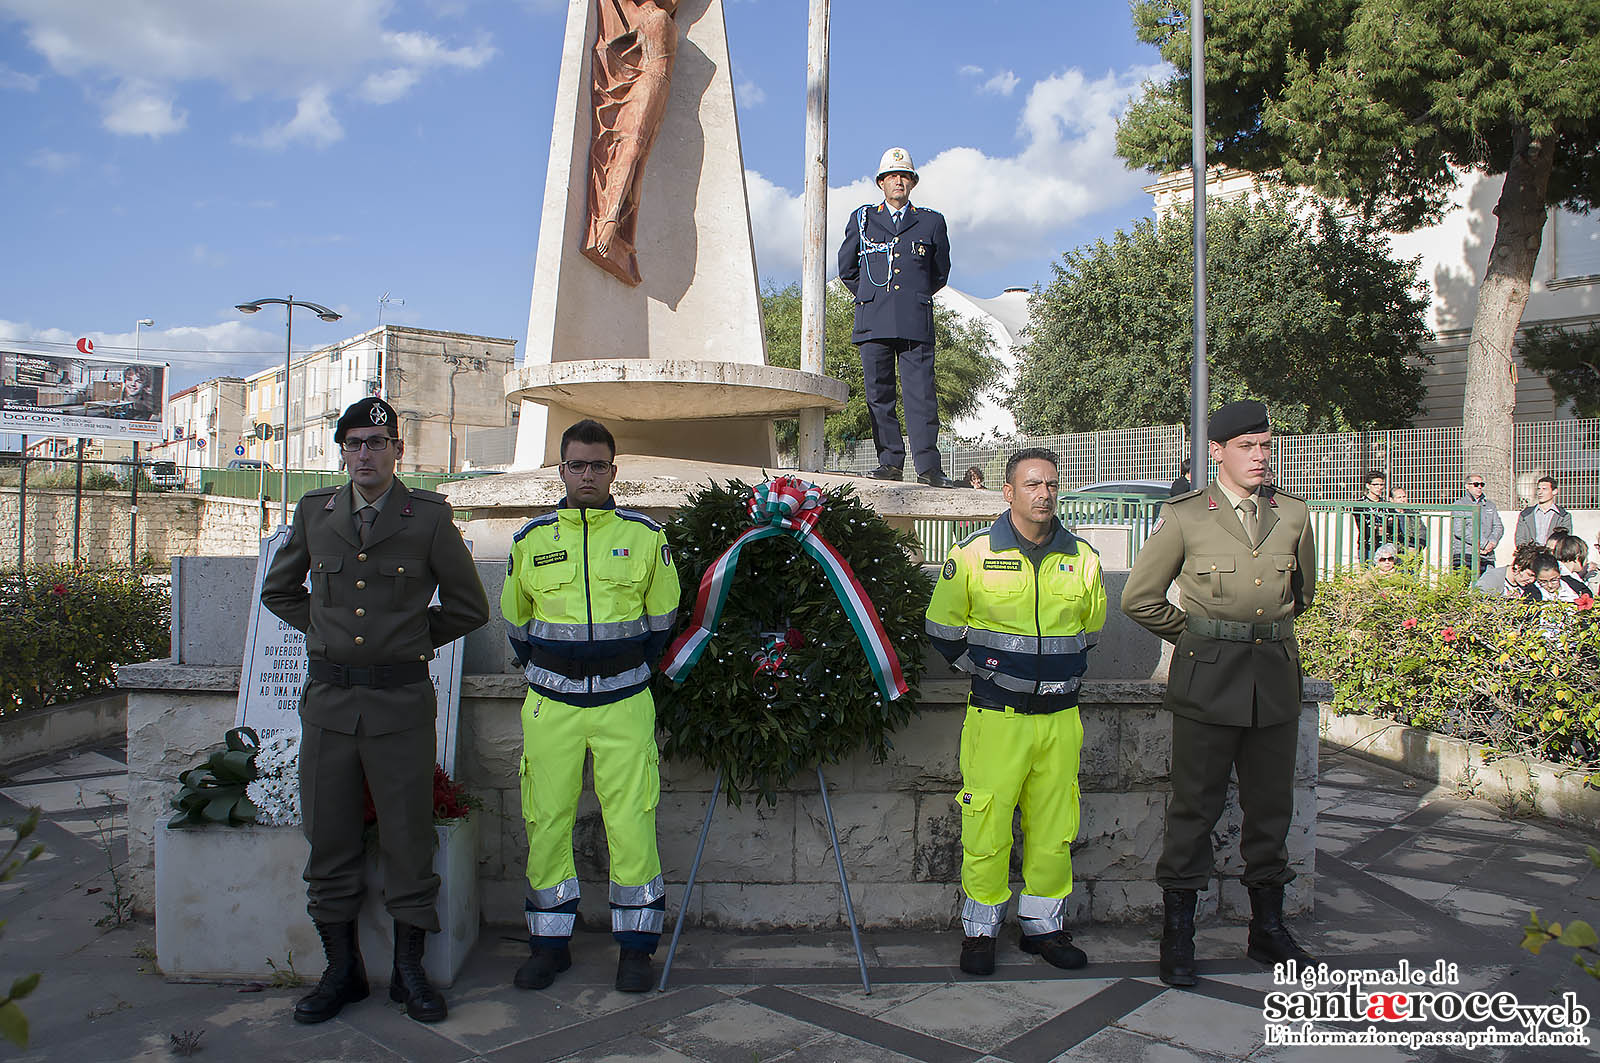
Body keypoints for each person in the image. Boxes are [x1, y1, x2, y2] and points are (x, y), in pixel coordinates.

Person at [261, 397, 490, 1025]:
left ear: (398, 449)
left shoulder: (428, 519)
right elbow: (280, 590)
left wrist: (408, 636)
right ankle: (342, 971)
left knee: (408, 837)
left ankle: (409, 971)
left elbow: (470, 608)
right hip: (330, 704)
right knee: (328, 834)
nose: (365, 453)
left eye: (377, 442)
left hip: (399, 704)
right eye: (354, 442)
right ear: (342, 450)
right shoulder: (315, 514)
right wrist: (326, 629)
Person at [1122, 399, 1318, 988]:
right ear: (1216, 452)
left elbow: (1301, 593)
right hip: (1208, 683)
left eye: (1266, 445)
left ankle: (1267, 928)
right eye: (1246, 447)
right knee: (1194, 809)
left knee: (1271, 809)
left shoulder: (1293, 514)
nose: (1260, 457)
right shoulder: (1187, 516)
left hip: (1275, 681)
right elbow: (1139, 597)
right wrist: (1198, 637)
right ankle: (1178, 933)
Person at [502, 419, 680, 994]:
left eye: (597, 465)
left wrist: (617, 664)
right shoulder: (531, 540)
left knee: (631, 823)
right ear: (561, 470)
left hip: (624, 700)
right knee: (545, 820)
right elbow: (517, 622)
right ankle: (549, 945)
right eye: (576, 464)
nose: (587, 474)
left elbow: (663, 622)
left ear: (613, 471)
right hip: (550, 702)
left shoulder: (647, 537)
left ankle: (635, 950)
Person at [924, 447, 1107, 976]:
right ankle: (980, 931)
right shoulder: (974, 553)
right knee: (987, 824)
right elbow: (942, 628)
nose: (1044, 494)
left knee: (1056, 826)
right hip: (996, 719)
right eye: (1031, 485)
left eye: (1051, 484)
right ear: (1008, 492)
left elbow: (1089, 632)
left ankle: (1043, 927)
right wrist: (990, 674)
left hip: (1059, 719)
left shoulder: (1084, 558)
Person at [838, 147, 956, 488]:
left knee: (921, 395)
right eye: (892, 176)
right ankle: (889, 462)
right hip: (873, 319)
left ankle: (929, 467)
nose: (898, 181)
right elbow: (847, 268)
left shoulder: (932, 221)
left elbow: (939, 272)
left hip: (914, 320)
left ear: (913, 182)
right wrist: (872, 297)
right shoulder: (862, 219)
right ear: (881, 182)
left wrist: (910, 298)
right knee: (879, 394)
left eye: (904, 175)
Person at [1450, 473, 1503, 576]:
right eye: (1475, 484)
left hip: (1487, 555)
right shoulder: (1459, 505)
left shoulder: (1490, 505)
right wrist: (1483, 543)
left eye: (1481, 484)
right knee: (1461, 588)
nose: (1479, 487)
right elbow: (1459, 529)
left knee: (1487, 587)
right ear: (1467, 486)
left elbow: (1498, 526)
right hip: (1465, 554)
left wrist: (1491, 543)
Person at [1515, 476, 1573, 548]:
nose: (1540, 492)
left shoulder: (1563, 516)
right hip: (1530, 556)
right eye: (1538, 489)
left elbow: (1565, 541)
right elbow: (1520, 539)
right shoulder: (1526, 514)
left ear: (1554, 491)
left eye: (1544, 489)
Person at [1477, 542, 1544, 599]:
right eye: (1529, 575)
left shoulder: (1532, 589)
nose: (1532, 580)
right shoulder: (1491, 580)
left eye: (1535, 577)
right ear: (1518, 566)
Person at [1352, 470, 1389, 561]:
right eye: (1375, 485)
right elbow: (1362, 526)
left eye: (1381, 485)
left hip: (1385, 545)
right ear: (1368, 486)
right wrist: (1377, 529)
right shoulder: (1360, 504)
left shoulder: (1387, 504)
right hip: (1367, 545)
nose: (1379, 488)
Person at [1386, 486, 1427, 556]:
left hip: (1413, 551)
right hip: (1392, 553)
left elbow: (1422, 533)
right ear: (1391, 499)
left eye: (1404, 497)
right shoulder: (1387, 514)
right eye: (1399, 497)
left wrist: (1415, 547)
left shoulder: (1413, 515)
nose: (1403, 500)